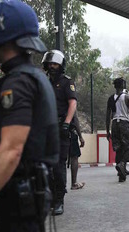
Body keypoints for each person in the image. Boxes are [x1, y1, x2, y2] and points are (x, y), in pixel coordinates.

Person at [0, 1, 59, 231]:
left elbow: (12, 148)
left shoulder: (17, 82)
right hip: (31, 191)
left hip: (19, 194)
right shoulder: (35, 77)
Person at [42, 50, 77, 215]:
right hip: (45, 129)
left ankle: (59, 200)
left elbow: (72, 104)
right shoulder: (44, 82)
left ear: (61, 65)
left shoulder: (66, 82)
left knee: (58, 166)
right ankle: (49, 197)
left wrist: (67, 123)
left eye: (55, 63)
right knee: (45, 166)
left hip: (61, 127)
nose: (52, 66)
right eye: (50, 64)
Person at [106, 78, 129, 182]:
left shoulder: (111, 98)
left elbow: (107, 116)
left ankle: (121, 174)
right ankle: (122, 164)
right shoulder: (127, 97)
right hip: (124, 123)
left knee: (118, 148)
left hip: (114, 124)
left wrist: (108, 131)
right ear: (123, 85)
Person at [70, 114, 85, 190]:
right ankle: (74, 183)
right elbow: (75, 119)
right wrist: (80, 137)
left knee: (60, 159)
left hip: (56, 130)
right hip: (69, 132)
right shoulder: (71, 102)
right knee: (74, 157)